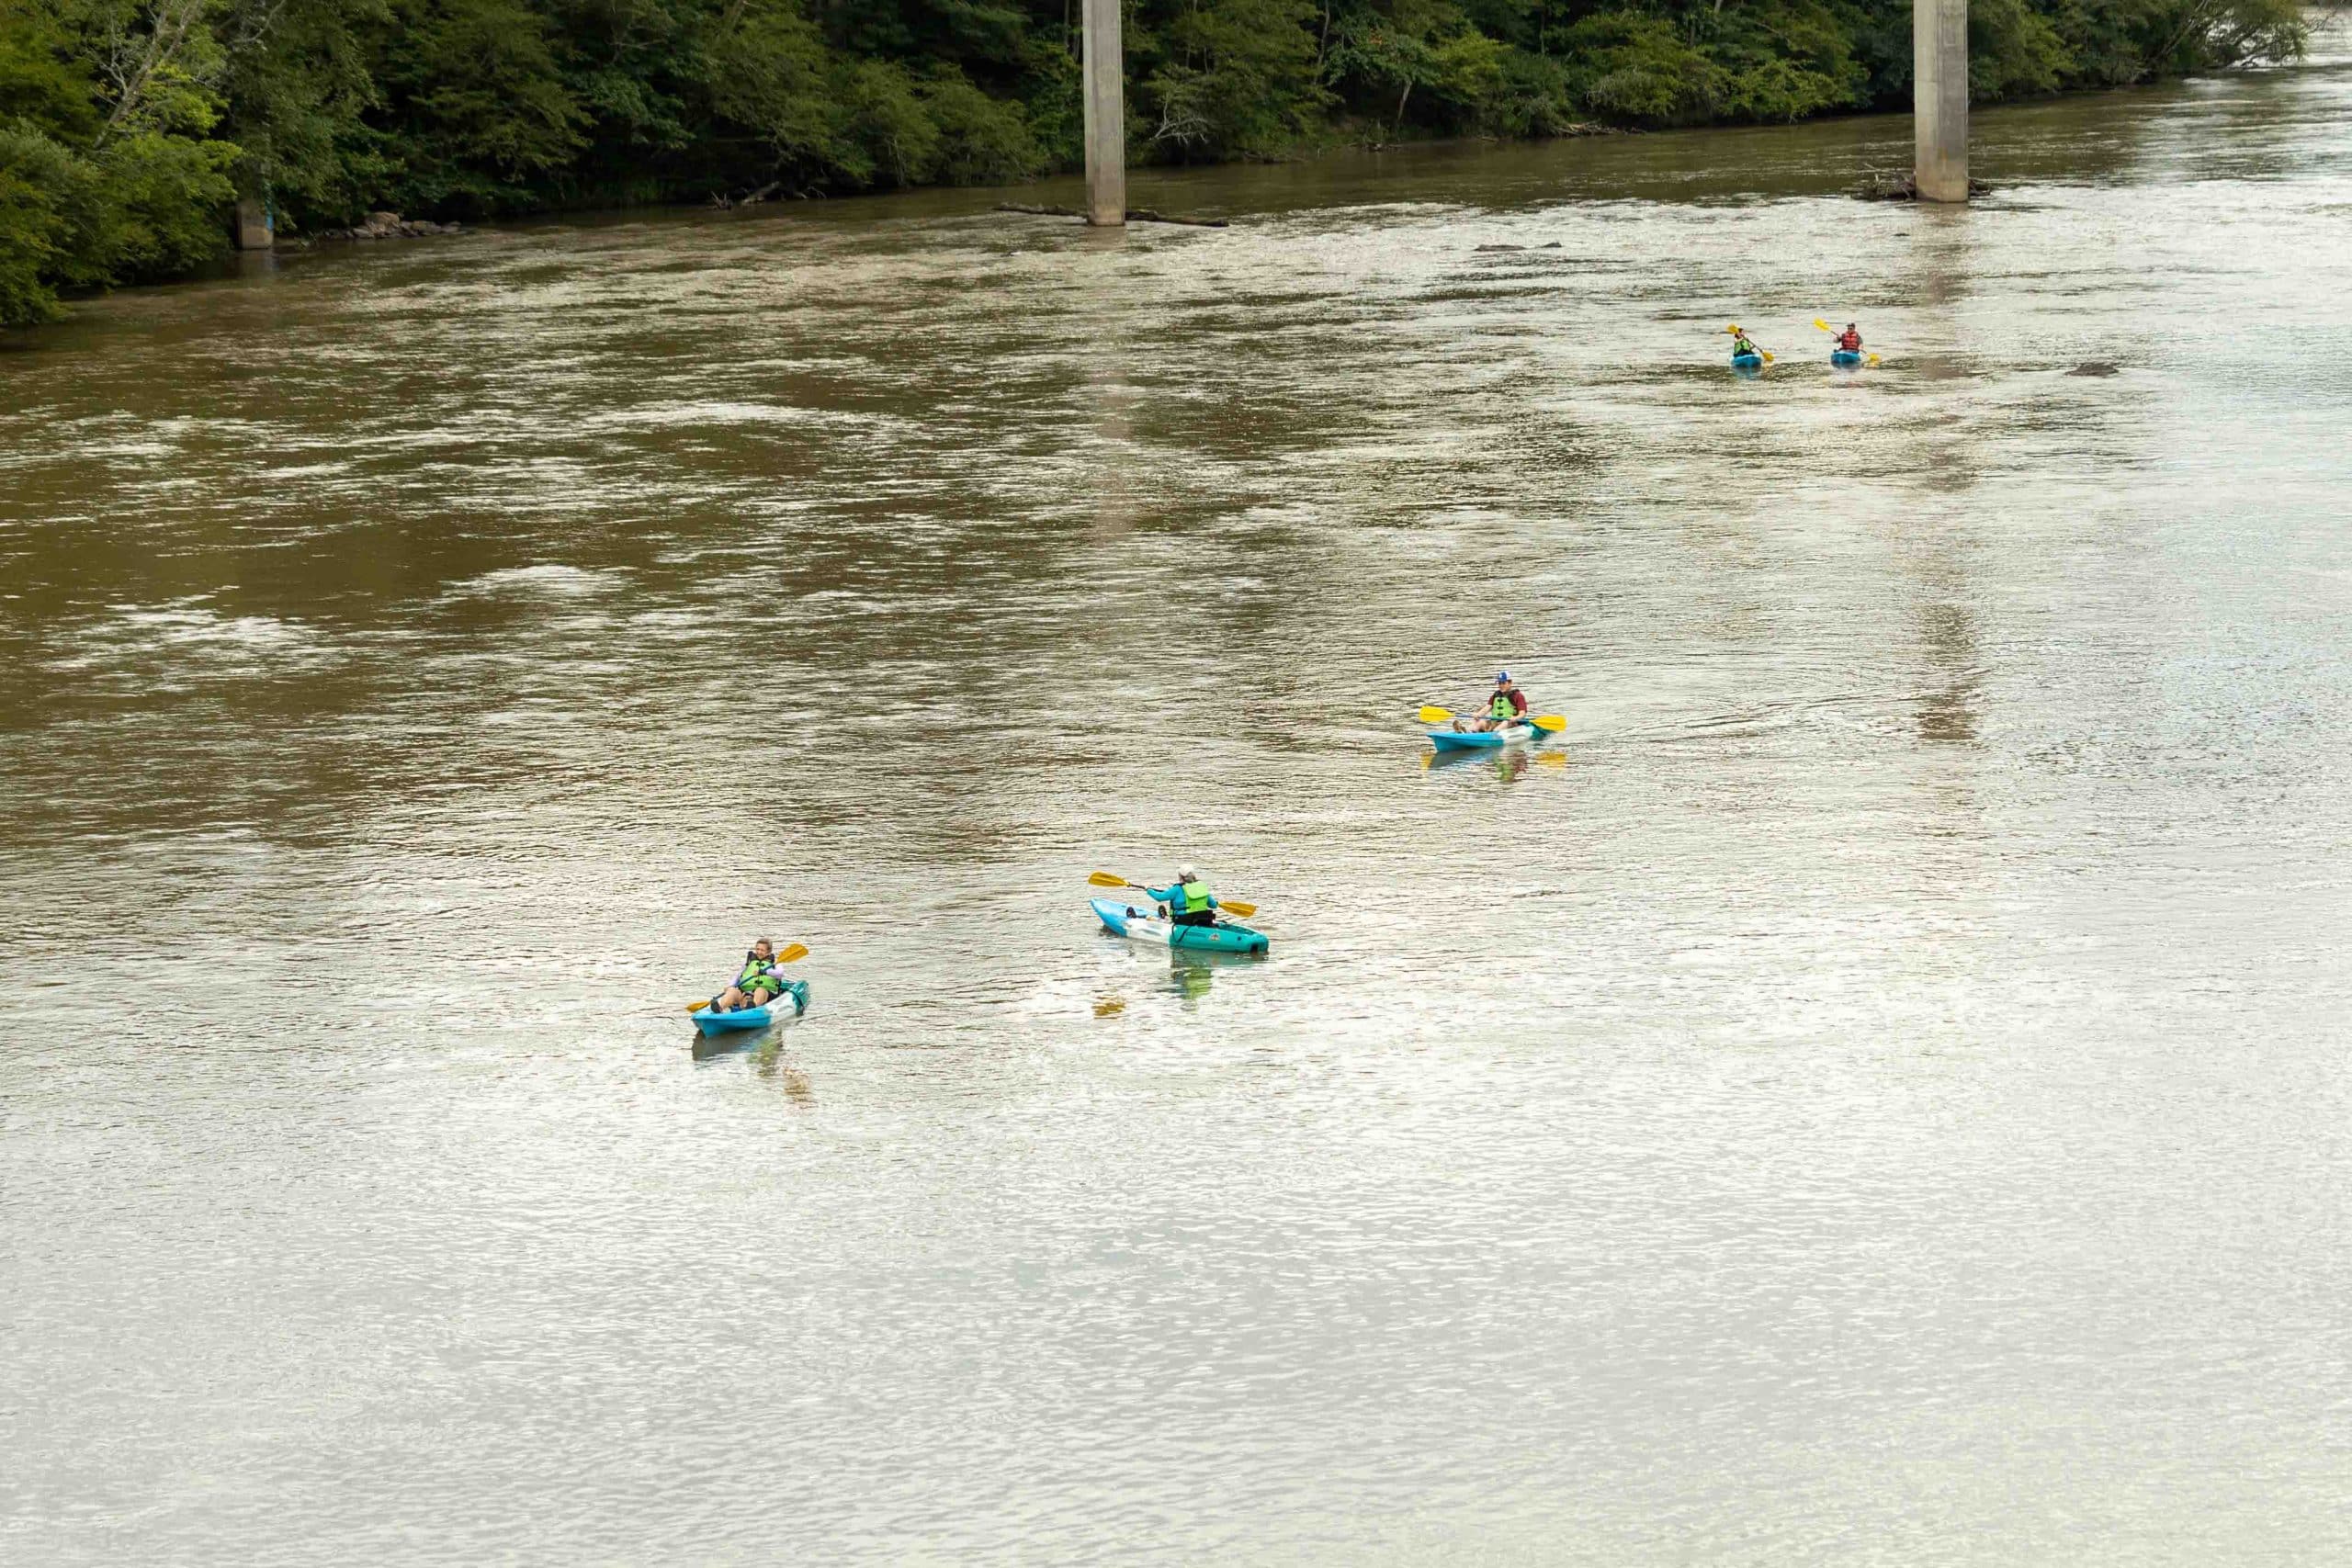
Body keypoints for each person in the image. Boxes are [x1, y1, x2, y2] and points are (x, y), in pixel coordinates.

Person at [713, 938, 786, 1011]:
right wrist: (730, 986)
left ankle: (752, 1008)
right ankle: (720, 1008)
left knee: (760, 990)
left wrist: (765, 972)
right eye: (758, 949)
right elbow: (738, 975)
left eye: (762, 950)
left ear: (769, 951)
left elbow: (780, 973)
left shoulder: (775, 963)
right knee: (733, 991)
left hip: (766, 993)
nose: (759, 952)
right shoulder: (749, 962)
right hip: (747, 992)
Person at [1459, 671, 1528, 732]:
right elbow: (1487, 708)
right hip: (1495, 723)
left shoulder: (1518, 696)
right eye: (1499, 683)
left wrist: (1515, 718)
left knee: (1505, 722)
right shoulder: (1495, 695)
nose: (1501, 685)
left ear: (1510, 683)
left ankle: (1492, 733)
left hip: (1510, 724)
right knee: (1478, 720)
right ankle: (1468, 732)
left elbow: (1522, 713)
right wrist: (1478, 715)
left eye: (1503, 683)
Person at [1148, 870, 1219, 928]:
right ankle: (1165, 917)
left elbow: (1159, 897)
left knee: (1150, 918)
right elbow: (1213, 905)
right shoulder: (1201, 888)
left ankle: (1164, 918)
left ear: (1180, 878)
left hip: (1183, 920)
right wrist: (1217, 903)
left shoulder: (1177, 889)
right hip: (1203, 920)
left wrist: (1148, 889)